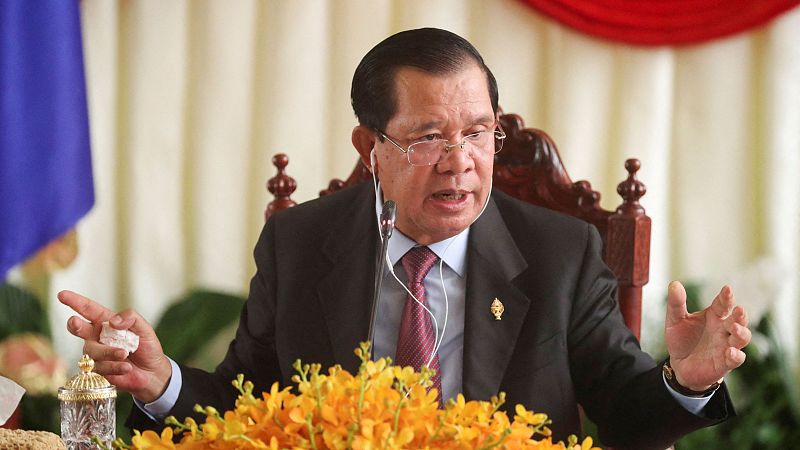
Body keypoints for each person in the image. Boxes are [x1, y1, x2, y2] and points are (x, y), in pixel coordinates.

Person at [59, 28, 751, 449]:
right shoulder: (300, 244)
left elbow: (625, 417)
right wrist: (161, 380)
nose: (462, 162)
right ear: (371, 148)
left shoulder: (559, 254)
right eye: (428, 138)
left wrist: (683, 381)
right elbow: (248, 405)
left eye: (479, 132)